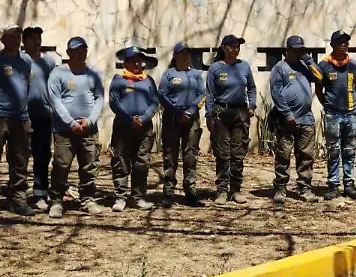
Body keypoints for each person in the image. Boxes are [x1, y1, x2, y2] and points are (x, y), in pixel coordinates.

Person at [46, 36, 107, 218]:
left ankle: (87, 199)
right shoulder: (58, 74)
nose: (80, 53)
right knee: (61, 166)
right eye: (75, 50)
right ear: (68, 53)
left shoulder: (94, 74)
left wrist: (90, 121)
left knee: (89, 166)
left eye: (83, 50)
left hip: (88, 130)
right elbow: (55, 101)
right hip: (65, 131)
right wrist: (71, 123)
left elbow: (99, 98)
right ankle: (56, 201)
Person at [267, 35, 324, 204]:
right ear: (287, 50)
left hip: (306, 118)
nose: (299, 52)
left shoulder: (305, 66)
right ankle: (280, 188)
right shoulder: (280, 68)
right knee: (283, 155)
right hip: (286, 120)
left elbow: (320, 77)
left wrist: (308, 59)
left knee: (306, 155)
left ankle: (304, 188)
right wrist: (287, 113)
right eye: (296, 49)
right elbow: (276, 93)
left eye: (301, 49)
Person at [0, 24, 36, 216]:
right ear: (3, 39)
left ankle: (18, 199)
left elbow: (27, 85)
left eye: (18, 35)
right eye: (12, 35)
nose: (17, 38)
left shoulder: (26, 60)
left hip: (21, 118)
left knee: (20, 160)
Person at [205, 34, 257, 205]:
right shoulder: (215, 69)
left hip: (240, 113)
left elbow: (251, 88)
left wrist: (252, 106)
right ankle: (221, 190)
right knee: (222, 154)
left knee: (238, 153)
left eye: (237, 46)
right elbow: (210, 94)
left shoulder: (244, 67)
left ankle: (235, 189)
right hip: (221, 112)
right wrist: (209, 115)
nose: (235, 49)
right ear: (224, 48)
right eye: (232, 46)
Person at [108, 46, 160, 211]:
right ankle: (120, 197)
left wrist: (143, 119)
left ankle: (138, 197)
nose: (137, 62)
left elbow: (154, 102)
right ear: (126, 62)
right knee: (121, 161)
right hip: (123, 127)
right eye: (133, 60)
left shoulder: (148, 81)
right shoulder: (118, 79)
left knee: (141, 162)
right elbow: (114, 102)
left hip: (144, 129)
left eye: (139, 59)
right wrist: (129, 119)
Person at [315, 30, 356, 201]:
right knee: (333, 151)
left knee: (349, 151)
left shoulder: (354, 65)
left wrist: (349, 104)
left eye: (346, 42)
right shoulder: (324, 65)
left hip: (351, 114)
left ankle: (349, 185)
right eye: (340, 42)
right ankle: (333, 185)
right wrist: (328, 105)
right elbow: (319, 90)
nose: (344, 45)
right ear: (332, 45)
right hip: (332, 115)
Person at [157, 42, 206, 207]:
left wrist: (192, 110)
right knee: (170, 155)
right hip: (172, 119)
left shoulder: (196, 74)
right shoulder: (169, 74)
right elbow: (162, 95)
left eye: (187, 53)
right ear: (175, 55)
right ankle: (169, 191)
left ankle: (190, 191)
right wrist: (177, 113)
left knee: (190, 155)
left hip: (191, 119)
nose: (184, 56)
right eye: (181, 53)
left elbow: (203, 94)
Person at [22, 26, 59, 202]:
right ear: (24, 42)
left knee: (42, 155)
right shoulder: (19, 60)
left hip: (44, 115)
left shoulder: (49, 62)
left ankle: (40, 193)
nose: (37, 41)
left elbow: (55, 87)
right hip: (22, 116)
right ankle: (18, 193)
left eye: (39, 38)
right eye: (32, 38)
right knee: (20, 156)